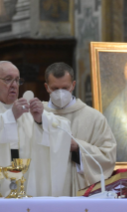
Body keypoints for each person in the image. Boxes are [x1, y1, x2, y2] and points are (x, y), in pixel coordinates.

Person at [0, 61, 72, 197]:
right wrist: (9, 118)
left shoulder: (25, 108)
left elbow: (62, 127)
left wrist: (41, 120)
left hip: (25, 193)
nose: (14, 85)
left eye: (17, 80)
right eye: (8, 79)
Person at [42, 62, 117, 196]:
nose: (60, 93)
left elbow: (108, 155)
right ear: (47, 87)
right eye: (55, 88)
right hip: (44, 187)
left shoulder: (94, 117)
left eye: (65, 88)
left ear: (73, 85)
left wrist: (78, 147)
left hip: (79, 189)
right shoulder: (37, 116)